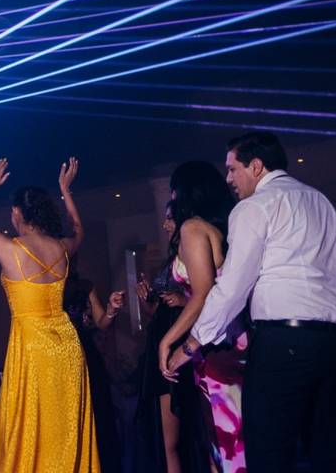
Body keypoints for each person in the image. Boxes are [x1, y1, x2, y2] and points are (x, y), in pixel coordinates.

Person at [167, 132, 336, 473]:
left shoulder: (255, 207)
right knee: (328, 449)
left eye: (233, 169)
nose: (228, 179)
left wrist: (189, 345)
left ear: (256, 166)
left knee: (269, 450)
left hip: (287, 341)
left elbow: (231, 288)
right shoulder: (321, 201)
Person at [0, 157, 99, 473]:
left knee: (31, 425)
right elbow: (79, 230)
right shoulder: (62, 248)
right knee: (64, 426)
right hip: (67, 346)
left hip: (33, 347)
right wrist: (66, 190)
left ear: (18, 213)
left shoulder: (12, 249)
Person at [158, 161, 245, 472]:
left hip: (217, 347)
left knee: (229, 440)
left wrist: (168, 342)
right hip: (231, 341)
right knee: (226, 439)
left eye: (174, 188)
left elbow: (204, 293)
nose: (170, 195)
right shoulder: (222, 226)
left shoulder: (193, 228)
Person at [134, 202, 213, 473]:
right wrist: (147, 301)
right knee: (170, 439)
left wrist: (184, 299)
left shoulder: (196, 251)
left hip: (188, 345)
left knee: (201, 430)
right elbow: (158, 313)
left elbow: (209, 295)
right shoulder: (171, 261)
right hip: (164, 341)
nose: (165, 224)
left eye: (170, 218)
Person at [63, 261, 124, 473]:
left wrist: (111, 310)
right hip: (57, 356)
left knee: (97, 413)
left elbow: (101, 323)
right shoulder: (45, 283)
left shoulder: (84, 285)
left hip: (85, 353)